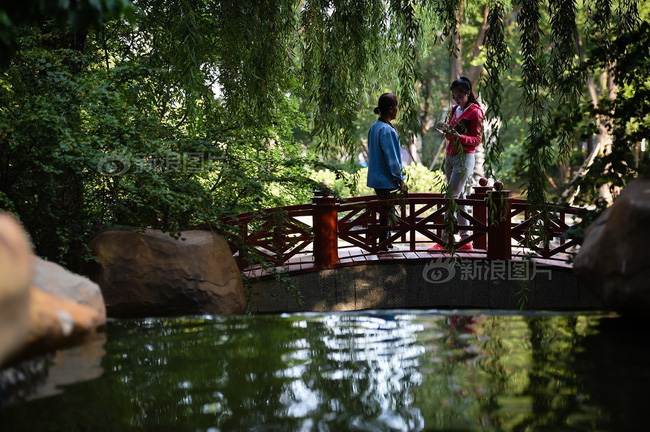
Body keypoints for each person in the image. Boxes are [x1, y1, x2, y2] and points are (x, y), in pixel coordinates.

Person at [429, 77, 484, 252]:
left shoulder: (475, 112)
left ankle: (445, 239)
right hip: (450, 156)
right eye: (454, 96)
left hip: (464, 157)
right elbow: (449, 137)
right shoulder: (454, 110)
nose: (456, 100)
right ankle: (466, 240)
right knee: (458, 198)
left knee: (450, 197)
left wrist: (460, 137)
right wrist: (448, 130)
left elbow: (476, 140)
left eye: (459, 96)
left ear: (468, 94)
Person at [366, 93, 407, 252]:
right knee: (386, 212)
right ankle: (384, 244)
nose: (398, 110)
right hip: (386, 179)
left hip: (376, 177)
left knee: (386, 211)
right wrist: (400, 179)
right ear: (391, 109)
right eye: (396, 106)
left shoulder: (374, 127)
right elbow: (392, 159)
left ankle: (386, 242)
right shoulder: (387, 130)